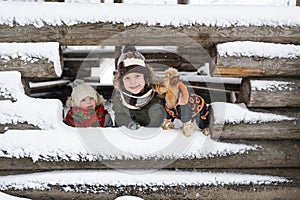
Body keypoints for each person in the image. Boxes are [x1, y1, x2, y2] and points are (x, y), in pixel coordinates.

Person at [112, 46, 165, 130]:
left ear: (146, 77)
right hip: (132, 136)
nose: (133, 82)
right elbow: (119, 116)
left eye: (137, 76)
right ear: (121, 82)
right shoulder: (119, 97)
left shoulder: (158, 93)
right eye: (127, 78)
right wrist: (129, 123)